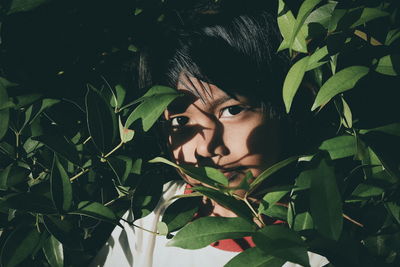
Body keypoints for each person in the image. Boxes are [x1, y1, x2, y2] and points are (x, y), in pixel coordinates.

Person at [91, 11, 328, 267]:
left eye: (232, 110)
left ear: (284, 108)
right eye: (181, 121)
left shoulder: (321, 243)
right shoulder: (150, 215)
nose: (206, 147)